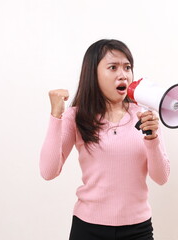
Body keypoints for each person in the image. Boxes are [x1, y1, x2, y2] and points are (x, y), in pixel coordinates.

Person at [40, 39, 170, 240]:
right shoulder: (76, 116)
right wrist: (56, 115)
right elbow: (48, 171)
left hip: (138, 230)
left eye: (127, 67)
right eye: (113, 67)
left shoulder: (144, 114)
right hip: (88, 229)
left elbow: (161, 178)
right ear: (94, 74)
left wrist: (152, 138)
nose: (123, 74)